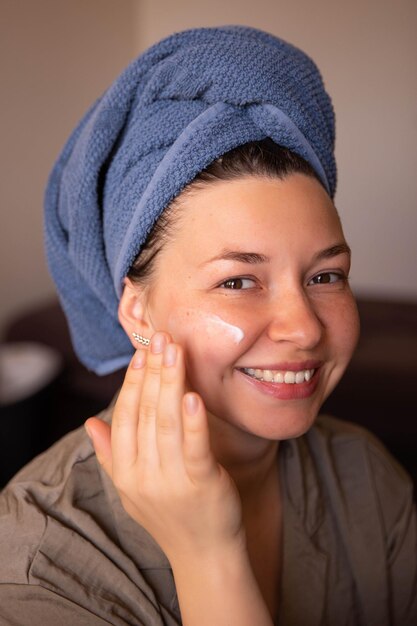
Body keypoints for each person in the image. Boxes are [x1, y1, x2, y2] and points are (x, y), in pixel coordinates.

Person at [0, 26, 415, 626]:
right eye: (238, 281)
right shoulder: (40, 563)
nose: (304, 328)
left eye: (326, 277)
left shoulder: (366, 478)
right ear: (137, 312)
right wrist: (207, 556)